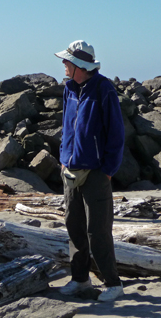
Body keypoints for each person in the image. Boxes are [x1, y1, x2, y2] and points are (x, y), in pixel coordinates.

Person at [54, 40, 125, 302]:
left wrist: (107, 170)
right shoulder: (70, 88)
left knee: (98, 230)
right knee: (74, 226)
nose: (63, 64)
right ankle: (80, 279)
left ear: (79, 65)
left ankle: (113, 283)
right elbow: (66, 126)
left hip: (96, 172)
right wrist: (63, 159)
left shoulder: (103, 89)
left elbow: (116, 134)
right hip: (70, 169)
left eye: (67, 61)